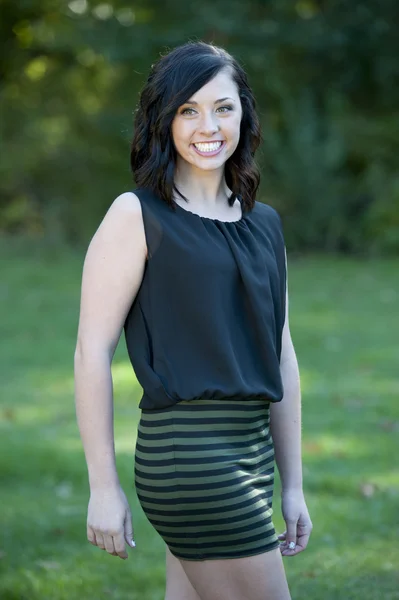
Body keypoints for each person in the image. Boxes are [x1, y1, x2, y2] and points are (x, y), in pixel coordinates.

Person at [74, 40, 313, 600]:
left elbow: (281, 355)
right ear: (165, 120)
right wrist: (101, 487)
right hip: (189, 453)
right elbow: (91, 353)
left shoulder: (266, 226)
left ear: (244, 115)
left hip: (250, 451)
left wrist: (293, 483)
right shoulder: (136, 215)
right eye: (188, 110)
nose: (208, 126)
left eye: (223, 107)